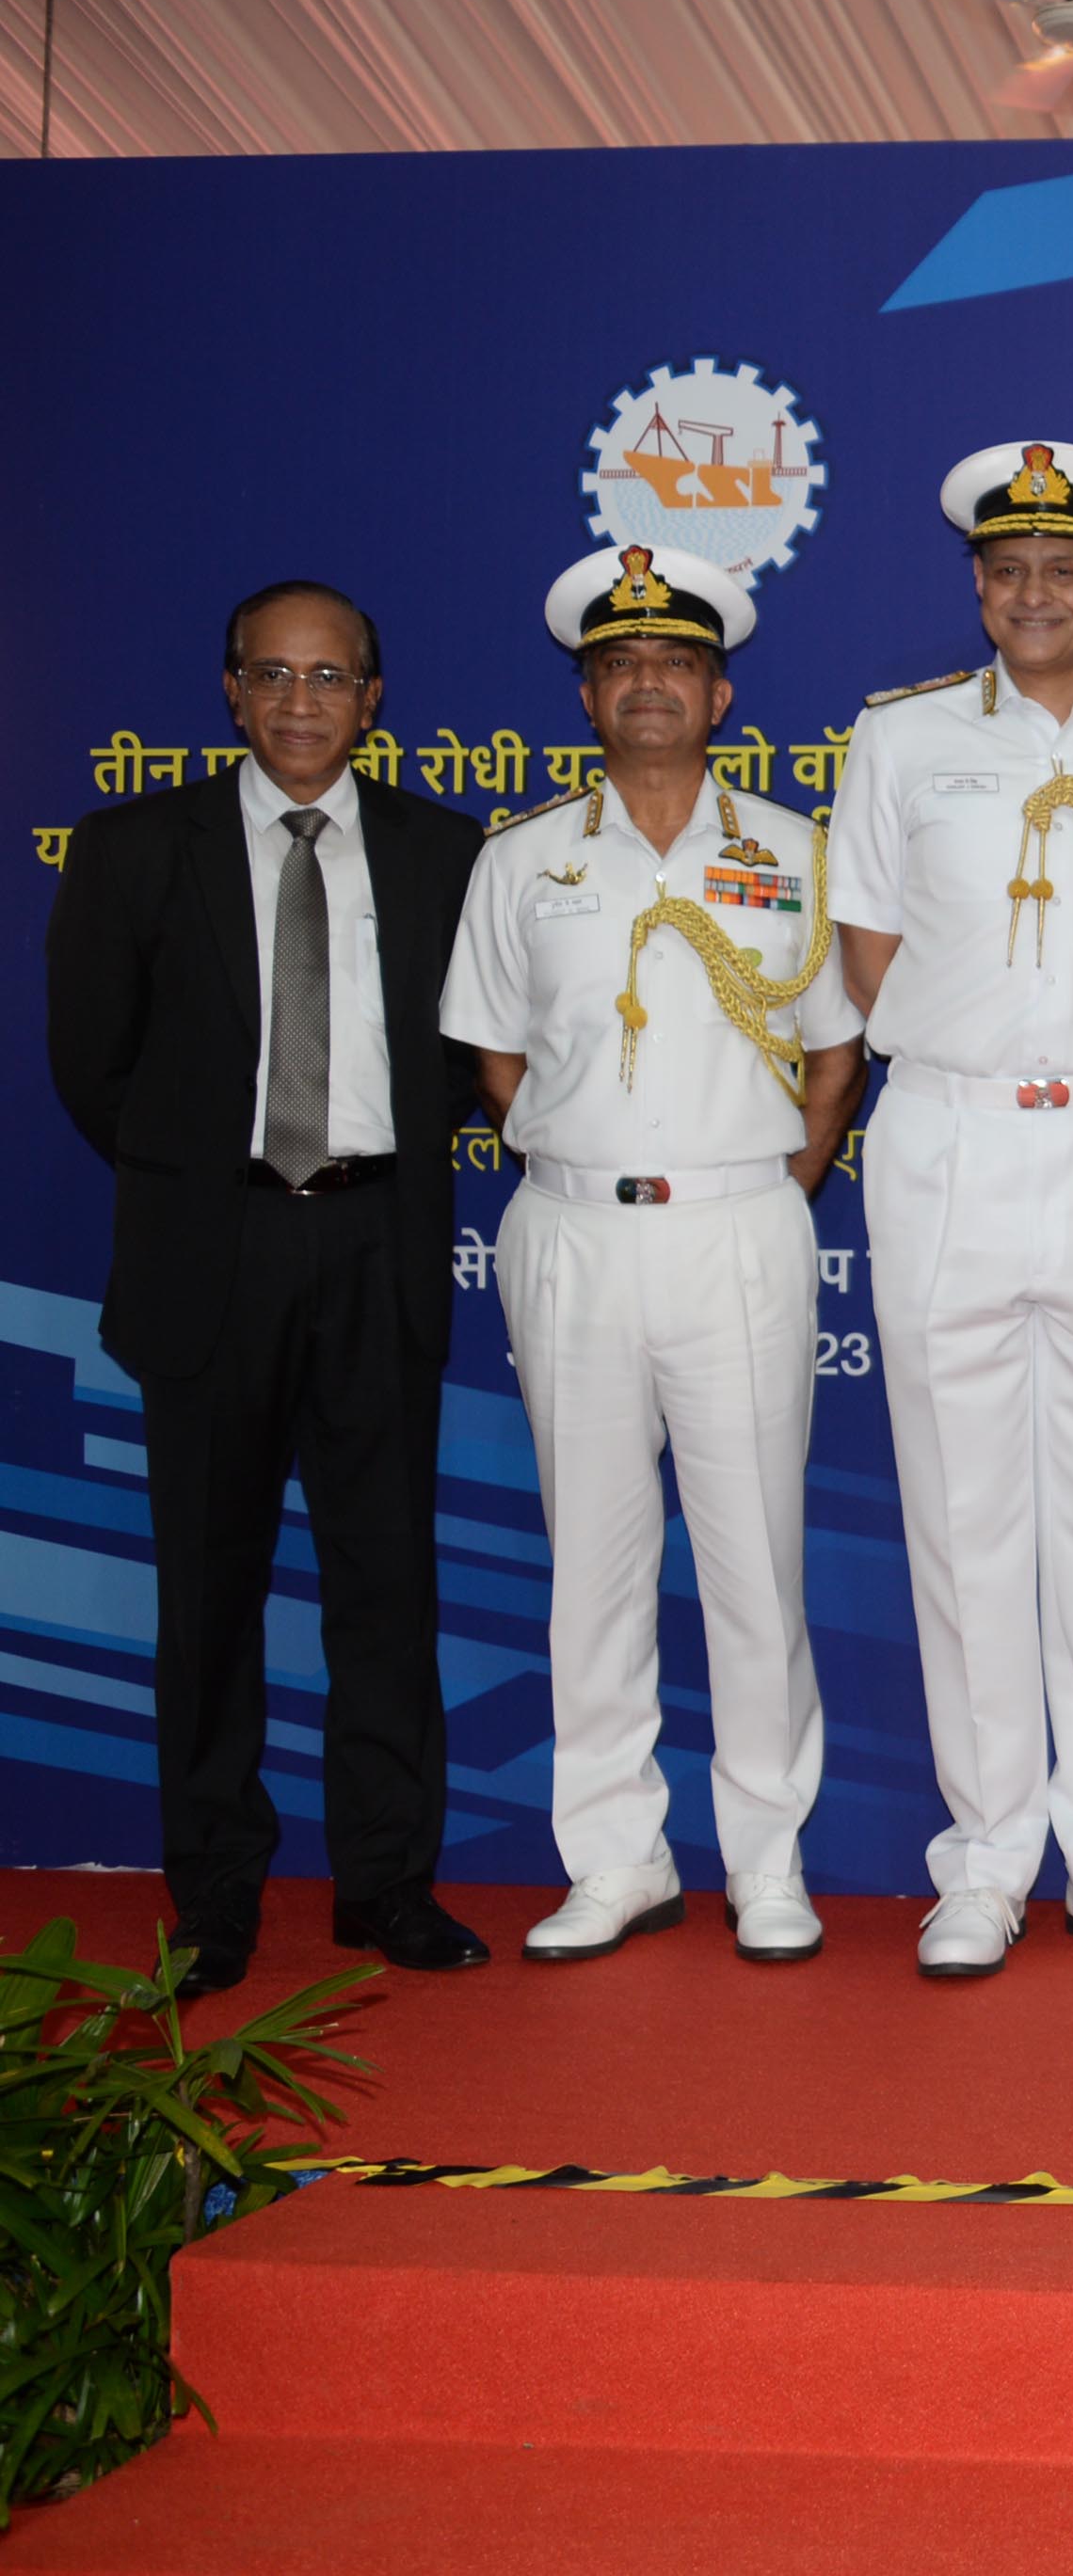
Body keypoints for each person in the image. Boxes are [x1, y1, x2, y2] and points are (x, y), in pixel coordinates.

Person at [44, 580, 490, 1995]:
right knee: (210, 1592)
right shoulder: (129, 849)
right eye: (273, 676)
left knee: (385, 1587)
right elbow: (91, 1067)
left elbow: (466, 1063)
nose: (302, 703)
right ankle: (217, 1895)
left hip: (377, 1245)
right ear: (232, 692)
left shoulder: (442, 853)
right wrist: (206, 1184)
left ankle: (387, 1884)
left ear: (374, 698)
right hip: (213, 1255)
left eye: (332, 677)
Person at [831, 441, 1073, 1979]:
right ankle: (987, 1857)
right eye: (1010, 573)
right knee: (964, 1514)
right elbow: (868, 953)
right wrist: (982, 1046)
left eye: (1066, 571)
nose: (1037, 593)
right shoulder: (903, 739)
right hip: (950, 1140)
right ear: (980, 589)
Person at [441, 546, 865, 1965]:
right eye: (620, 666)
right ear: (586, 692)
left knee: (755, 1562)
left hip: (738, 1225)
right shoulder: (522, 861)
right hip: (569, 1230)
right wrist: (587, 1159)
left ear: (720, 691)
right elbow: (496, 1057)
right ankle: (615, 1856)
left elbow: (833, 1058)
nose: (646, 686)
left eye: (673, 665)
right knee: (597, 1563)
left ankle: (766, 1862)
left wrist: (763, 1188)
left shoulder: (797, 855)